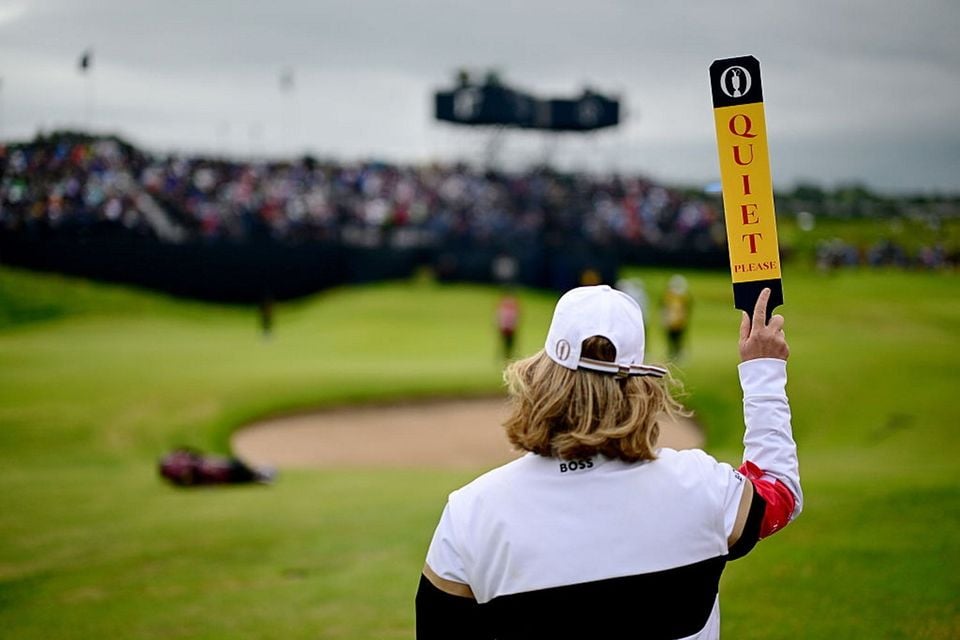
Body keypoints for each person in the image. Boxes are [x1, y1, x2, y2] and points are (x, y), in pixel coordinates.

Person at [416, 285, 800, 639]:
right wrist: (762, 371)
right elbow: (778, 491)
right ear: (640, 387)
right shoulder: (703, 486)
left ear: (540, 377)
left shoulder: (471, 512)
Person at [158, 447, 276, 486]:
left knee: (235, 465)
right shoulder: (185, 467)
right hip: (223, 473)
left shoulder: (188, 462)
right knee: (236, 467)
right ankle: (259, 476)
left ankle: (258, 474)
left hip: (220, 470)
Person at [662, 274, 693, 360]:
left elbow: (686, 309)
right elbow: (665, 308)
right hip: (670, 321)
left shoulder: (683, 297)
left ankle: (679, 354)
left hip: (679, 321)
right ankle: (672, 354)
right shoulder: (668, 296)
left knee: (678, 339)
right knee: (670, 339)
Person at [495, 292, 520, 361]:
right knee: (506, 345)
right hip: (507, 329)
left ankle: (507, 357)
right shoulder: (511, 306)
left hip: (509, 329)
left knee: (508, 345)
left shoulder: (506, 306)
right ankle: (506, 357)